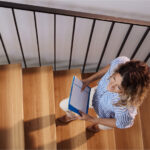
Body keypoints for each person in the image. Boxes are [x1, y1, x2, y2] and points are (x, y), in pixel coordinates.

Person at [58, 56, 150, 132]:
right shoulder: (121, 62)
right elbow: (110, 66)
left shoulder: (126, 109)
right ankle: (72, 116)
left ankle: (96, 127)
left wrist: (92, 119)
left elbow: (120, 123)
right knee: (63, 104)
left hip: (106, 116)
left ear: (129, 91)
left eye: (118, 87)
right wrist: (88, 80)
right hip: (95, 95)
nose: (110, 87)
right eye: (113, 78)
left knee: (102, 126)